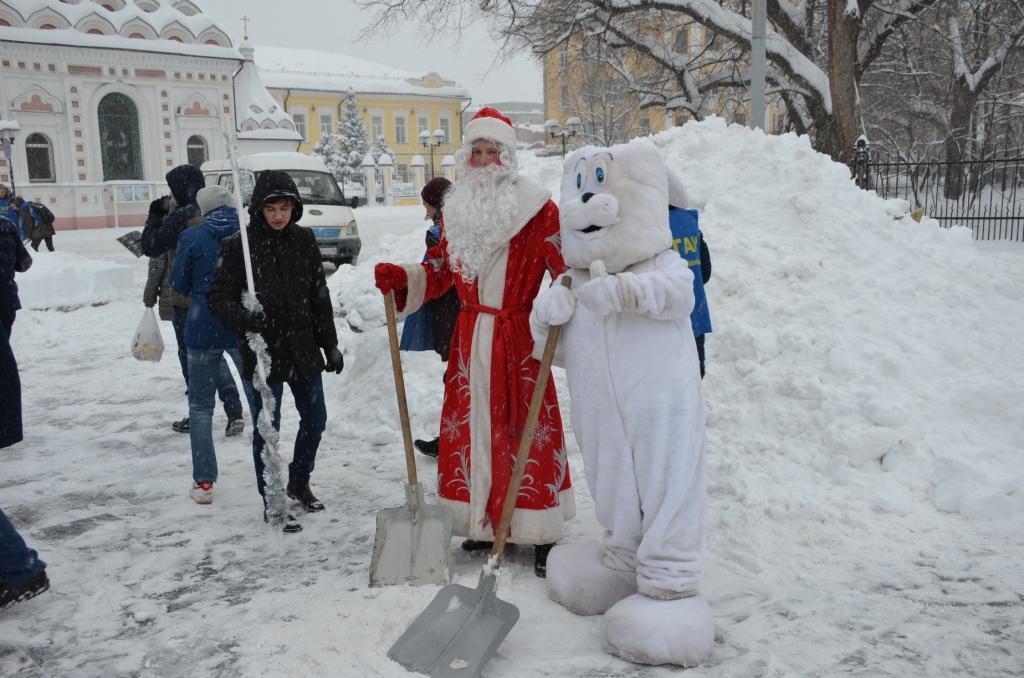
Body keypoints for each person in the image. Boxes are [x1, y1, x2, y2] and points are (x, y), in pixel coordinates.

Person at [373, 107, 574, 577]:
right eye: (477, 152)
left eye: (493, 152)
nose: (484, 161)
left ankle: (539, 529)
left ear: (507, 157)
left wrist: (564, 294)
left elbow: (565, 265)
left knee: (528, 430)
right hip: (469, 339)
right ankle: (480, 524)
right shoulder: (456, 209)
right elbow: (442, 271)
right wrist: (405, 276)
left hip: (517, 338)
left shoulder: (538, 207)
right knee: (470, 431)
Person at [208, 170, 344, 532]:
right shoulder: (239, 246)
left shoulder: (304, 240)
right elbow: (217, 299)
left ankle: (298, 482)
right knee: (269, 429)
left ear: (295, 208)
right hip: (263, 353)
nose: (280, 215)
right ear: (259, 209)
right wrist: (242, 317)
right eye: (272, 208)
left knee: (316, 419)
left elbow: (319, 295)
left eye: (286, 207)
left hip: (302, 348)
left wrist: (329, 343)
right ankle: (273, 501)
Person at [142, 165, 244, 436]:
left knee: (195, 360)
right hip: (221, 298)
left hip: (190, 303)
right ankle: (234, 410)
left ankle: (199, 412)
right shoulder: (211, 210)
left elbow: (152, 247)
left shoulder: (183, 215)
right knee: (219, 356)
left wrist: (155, 215)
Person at [170, 186, 257, 505]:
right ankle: (267, 462)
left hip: (202, 323)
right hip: (240, 321)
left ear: (203, 209)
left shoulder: (192, 237)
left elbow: (178, 282)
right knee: (258, 395)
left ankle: (204, 482)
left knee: (201, 406)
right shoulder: (248, 235)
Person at [0, 214, 47, 612]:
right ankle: (18, 566)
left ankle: (18, 567)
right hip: (5, 302)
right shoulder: (5, 225)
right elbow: (24, 263)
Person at [403, 176, 459, 459]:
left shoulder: (449, 231)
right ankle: (452, 438)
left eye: (427, 205)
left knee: (459, 380)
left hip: (456, 317)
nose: (425, 212)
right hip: (450, 317)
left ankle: (454, 441)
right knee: (457, 379)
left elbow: (443, 275)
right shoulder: (443, 229)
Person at [668, 207, 712, 378]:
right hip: (695, 316)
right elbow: (705, 273)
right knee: (694, 379)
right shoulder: (690, 223)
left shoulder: (652, 228)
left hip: (667, 321)